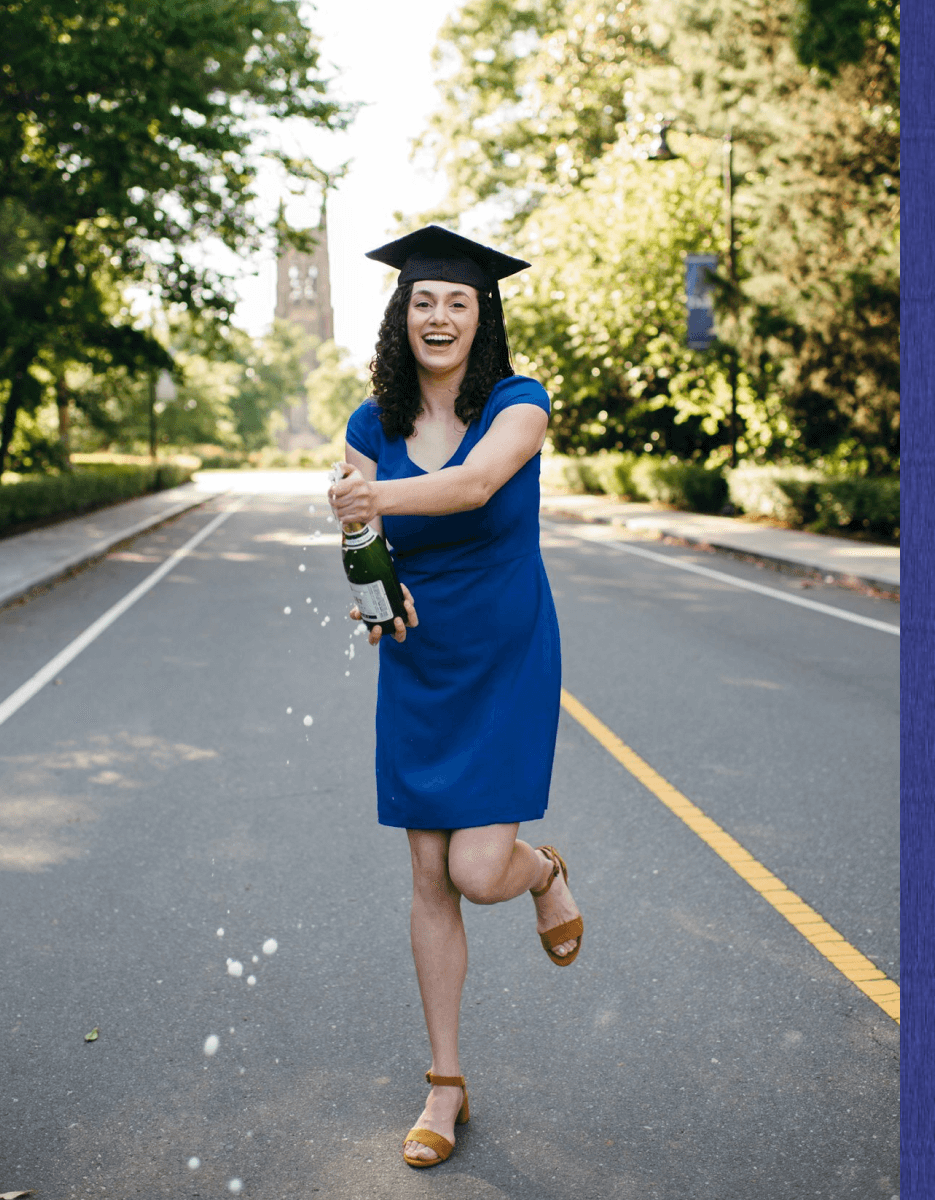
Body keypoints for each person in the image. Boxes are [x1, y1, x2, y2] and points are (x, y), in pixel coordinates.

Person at [326, 225, 582, 1169]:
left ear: (483, 316)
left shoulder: (520, 402)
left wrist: (368, 499)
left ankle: (543, 872)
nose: (439, 316)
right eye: (424, 301)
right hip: (422, 663)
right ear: (404, 314)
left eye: (457, 302)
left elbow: (473, 487)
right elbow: (363, 549)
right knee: (429, 875)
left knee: (481, 870)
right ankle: (446, 1084)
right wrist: (373, 598)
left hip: (507, 650)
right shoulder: (369, 424)